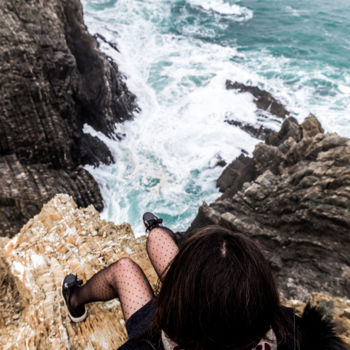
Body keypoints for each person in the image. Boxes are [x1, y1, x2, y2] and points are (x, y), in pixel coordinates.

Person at [62, 214, 347, 350]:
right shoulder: (292, 335)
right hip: (202, 318)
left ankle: (75, 299)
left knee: (124, 269)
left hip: (175, 333)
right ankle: (157, 229)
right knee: (158, 238)